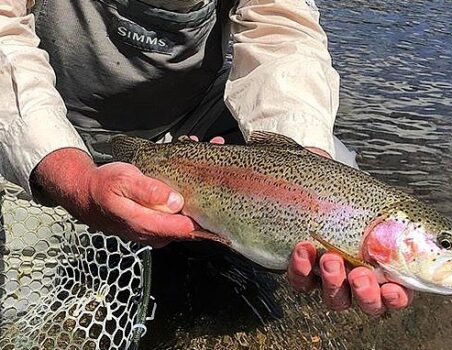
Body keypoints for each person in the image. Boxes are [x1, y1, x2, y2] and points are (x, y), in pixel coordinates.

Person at [0, 0, 412, 316]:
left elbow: (279, 27)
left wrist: (296, 174)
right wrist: (75, 180)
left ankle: (243, 235)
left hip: (194, 118)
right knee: (24, 296)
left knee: (338, 172)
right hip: (46, 114)